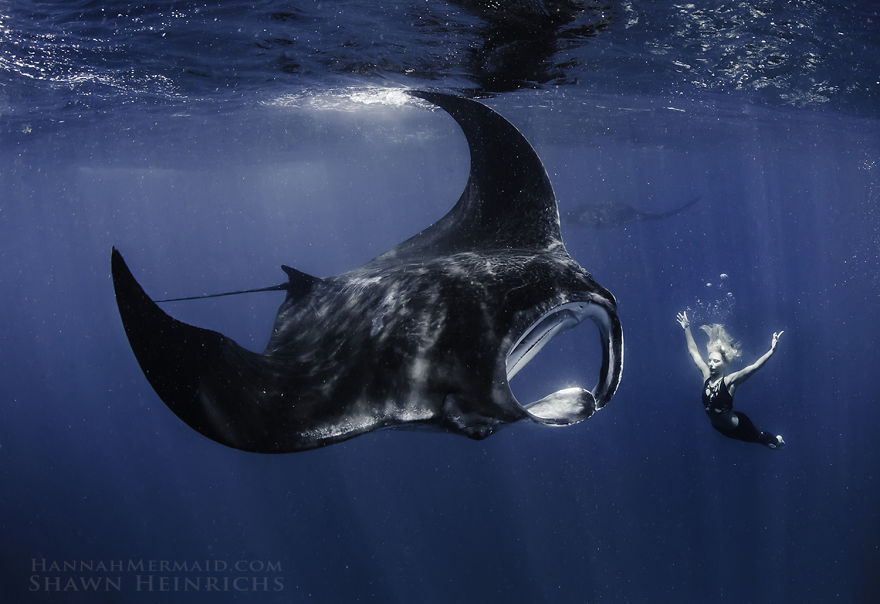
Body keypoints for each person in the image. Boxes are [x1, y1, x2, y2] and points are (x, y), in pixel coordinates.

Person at [676, 310, 785, 449]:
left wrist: (772, 350)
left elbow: (754, 367)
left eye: (716, 361)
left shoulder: (729, 381)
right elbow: (693, 352)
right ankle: (774, 442)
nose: (711, 364)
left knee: (759, 437)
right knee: (756, 440)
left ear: (725, 362)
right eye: (710, 360)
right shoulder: (706, 375)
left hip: (739, 426)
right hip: (721, 430)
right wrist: (686, 328)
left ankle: (777, 441)